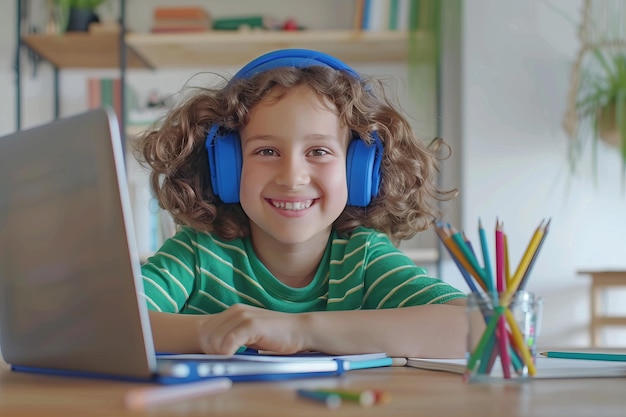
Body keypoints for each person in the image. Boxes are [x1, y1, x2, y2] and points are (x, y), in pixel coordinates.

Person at [135, 49, 468, 359]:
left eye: (318, 152)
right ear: (227, 166)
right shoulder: (198, 255)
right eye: (266, 151)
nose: (292, 178)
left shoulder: (363, 261)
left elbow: (480, 328)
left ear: (359, 171)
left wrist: (298, 330)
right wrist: (211, 332)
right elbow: (105, 324)